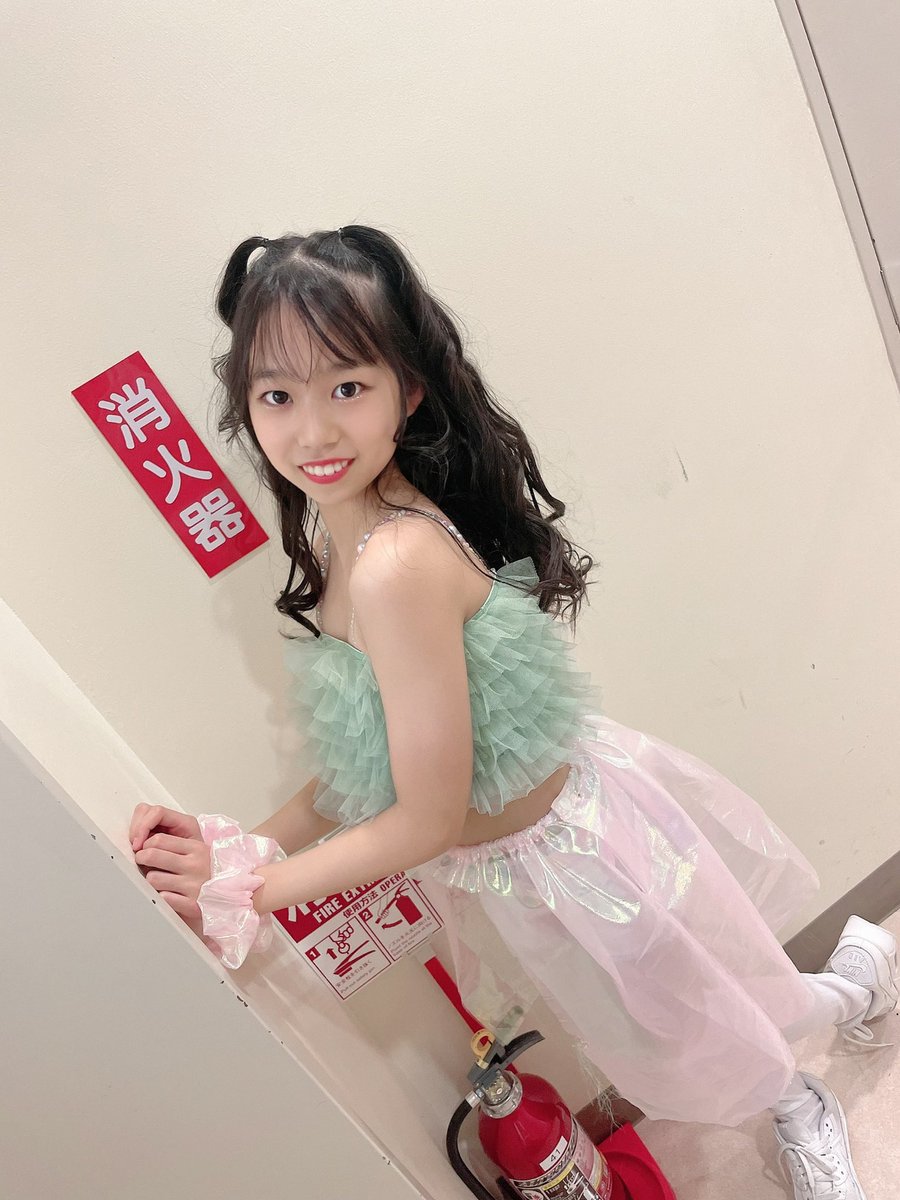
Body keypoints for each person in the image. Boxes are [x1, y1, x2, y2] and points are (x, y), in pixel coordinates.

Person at [130, 225, 898, 1199]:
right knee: (689, 999)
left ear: (408, 389)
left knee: (685, 1012)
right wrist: (246, 847)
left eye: (347, 387)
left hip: (581, 852)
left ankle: (801, 1094)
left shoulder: (394, 562)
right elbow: (369, 750)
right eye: (277, 395)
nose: (312, 432)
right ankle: (855, 984)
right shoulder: (341, 536)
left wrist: (249, 891)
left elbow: (425, 819)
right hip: (530, 866)